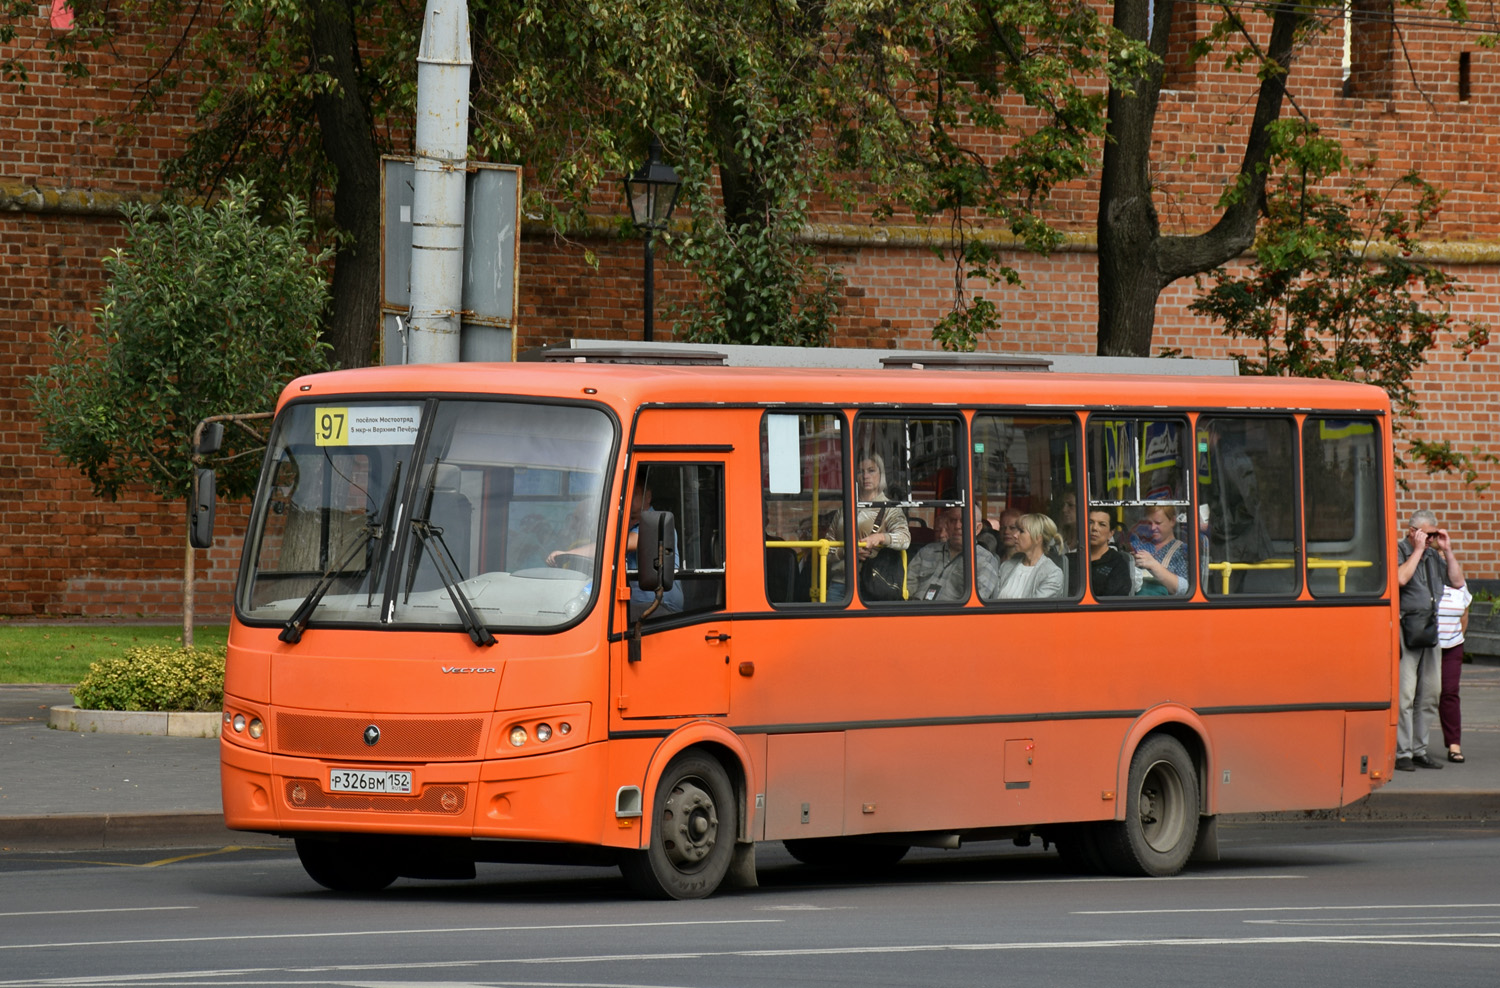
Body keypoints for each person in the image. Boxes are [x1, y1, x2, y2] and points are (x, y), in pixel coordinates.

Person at [548, 475, 682, 618]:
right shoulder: (622, 526)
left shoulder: (658, 523)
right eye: (625, 495)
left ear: (647, 496)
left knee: (602, 620)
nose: (627, 499)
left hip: (659, 605)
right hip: (630, 603)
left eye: (633, 494)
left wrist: (568, 553)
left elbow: (621, 545)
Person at [1395, 509, 1463, 771]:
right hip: (1406, 628)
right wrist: (1417, 551)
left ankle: (1419, 749)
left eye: (1434, 534)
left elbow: (1457, 581)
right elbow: (1400, 578)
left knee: (1431, 693)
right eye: (1427, 534)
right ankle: (1403, 752)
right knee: (1405, 695)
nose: (1431, 538)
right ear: (1412, 532)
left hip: (1430, 628)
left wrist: (1447, 550)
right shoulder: (1401, 550)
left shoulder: (1435, 555)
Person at [826, 452, 911, 599]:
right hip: (838, 583)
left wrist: (879, 538)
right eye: (860, 471)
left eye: (871, 470)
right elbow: (826, 548)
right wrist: (847, 552)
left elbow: (904, 538)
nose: (865, 476)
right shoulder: (845, 508)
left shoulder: (890, 508)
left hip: (870, 584)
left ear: (881, 474)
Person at [907, 504, 998, 602]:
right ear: (947, 525)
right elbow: (906, 589)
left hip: (952, 615)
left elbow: (976, 604)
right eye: (952, 521)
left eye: (963, 521)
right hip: (915, 612)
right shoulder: (927, 551)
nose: (957, 526)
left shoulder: (985, 560)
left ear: (978, 528)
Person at [1438, 579, 1472, 764]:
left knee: (1449, 692)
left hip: (1452, 646)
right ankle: (1411, 747)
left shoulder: (1458, 582)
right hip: (1425, 645)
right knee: (1420, 695)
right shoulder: (1425, 575)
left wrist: (1457, 638)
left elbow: (1464, 614)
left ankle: (1454, 744)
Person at [994, 513, 1067, 599]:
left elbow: (1035, 609)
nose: (1015, 535)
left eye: (1021, 531)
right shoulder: (1006, 566)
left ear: (1038, 538)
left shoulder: (1052, 574)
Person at [1069, 507, 1133, 597]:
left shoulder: (1118, 565)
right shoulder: (1069, 560)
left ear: (1111, 533)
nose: (1094, 528)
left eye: (1102, 524)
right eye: (1090, 522)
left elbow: (1112, 604)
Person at [1130, 505, 1189, 596]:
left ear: (1172, 521)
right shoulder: (1137, 545)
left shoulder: (1183, 551)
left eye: (1158, 523)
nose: (1153, 528)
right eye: (1149, 523)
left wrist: (1154, 566)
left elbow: (1185, 589)